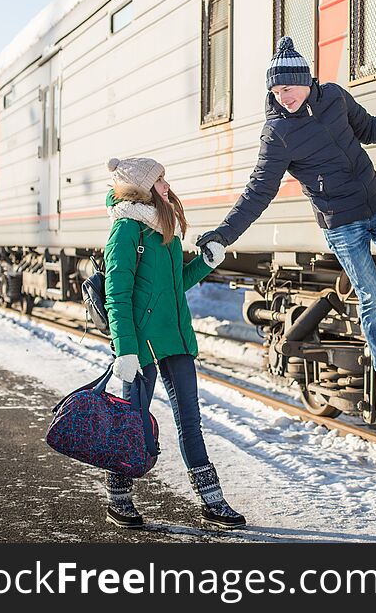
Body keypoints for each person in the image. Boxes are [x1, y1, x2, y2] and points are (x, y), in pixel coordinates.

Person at [196, 36, 376, 420]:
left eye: (289, 88)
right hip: (342, 223)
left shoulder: (333, 97)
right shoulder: (277, 134)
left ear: (307, 80)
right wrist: (223, 234)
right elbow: (258, 192)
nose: (285, 97)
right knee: (371, 299)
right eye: (277, 91)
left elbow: (370, 129)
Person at [103, 156, 245, 530]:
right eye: (161, 180)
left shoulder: (162, 229)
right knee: (131, 423)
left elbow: (175, 284)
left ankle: (212, 501)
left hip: (177, 339)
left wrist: (206, 262)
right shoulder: (126, 231)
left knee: (190, 421)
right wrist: (125, 349)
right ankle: (118, 497)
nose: (167, 186)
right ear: (143, 187)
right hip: (142, 346)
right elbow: (117, 295)